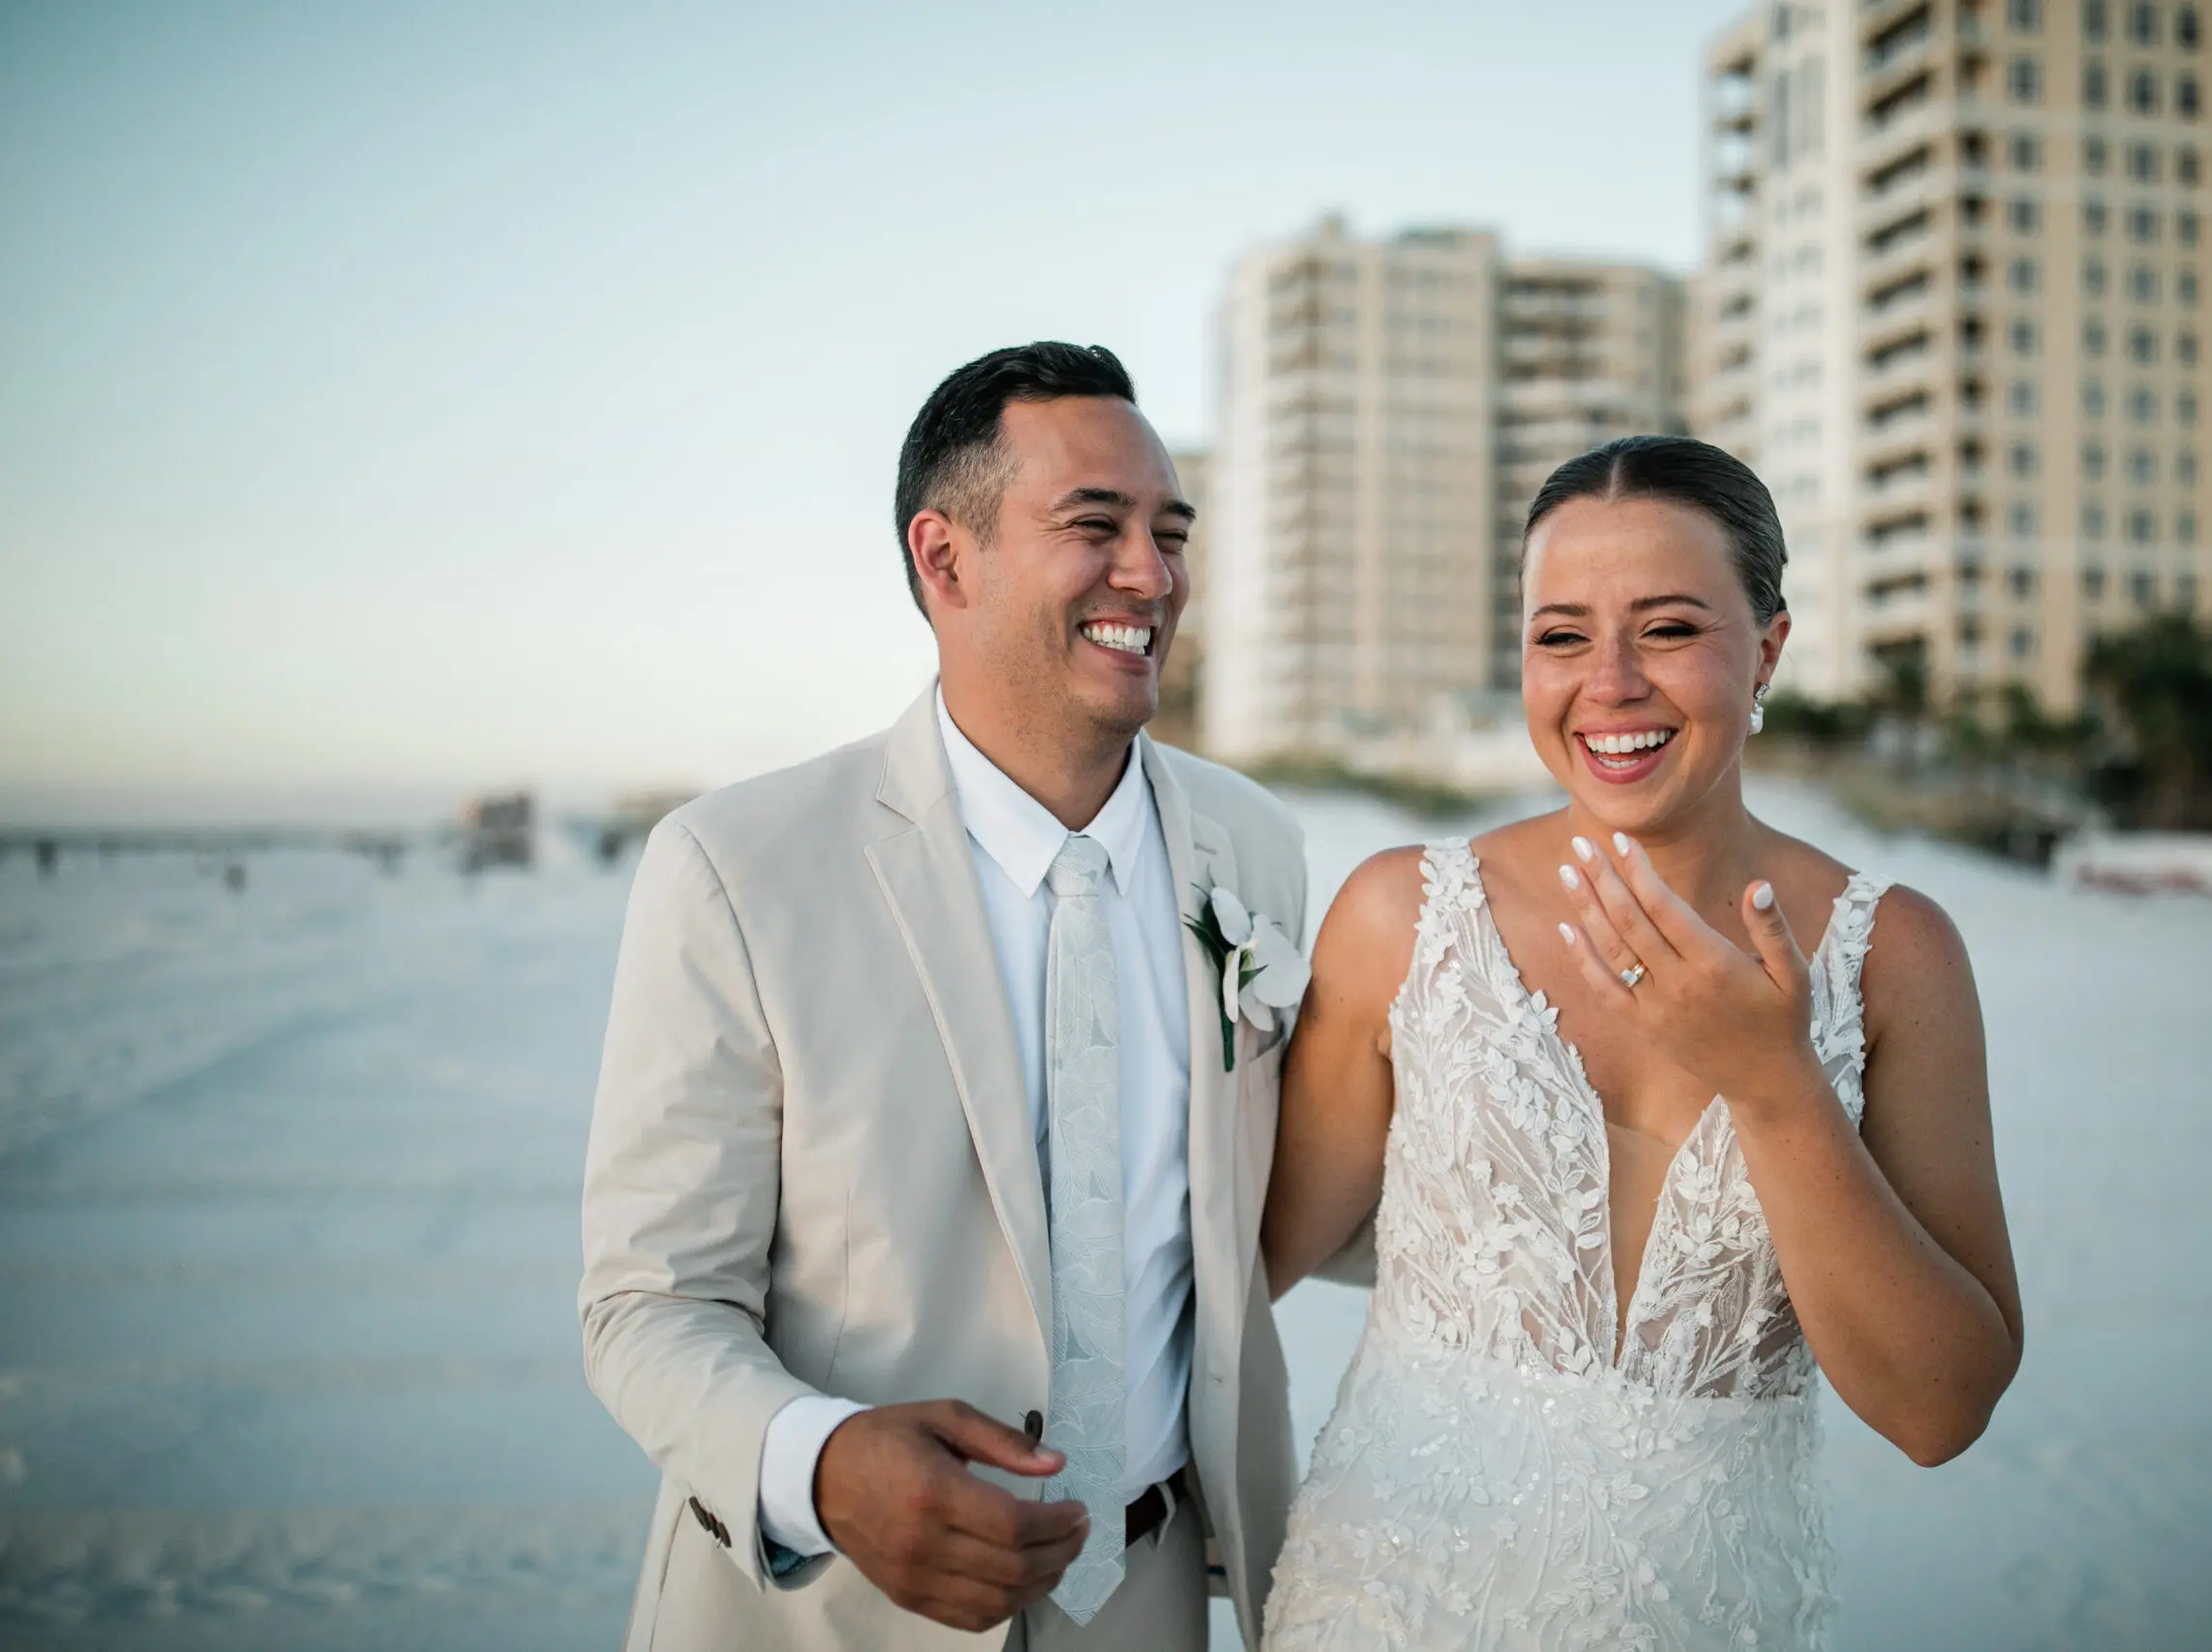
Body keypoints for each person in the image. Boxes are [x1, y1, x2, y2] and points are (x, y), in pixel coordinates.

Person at [580, 343, 1310, 1651]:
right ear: (946, 556)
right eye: (1096, 526)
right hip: (824, 1615)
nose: (1151, 574)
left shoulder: (1253, 848)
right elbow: (648, 1301)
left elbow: (1307, 1194)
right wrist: (823, 1462)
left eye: (1170, 532)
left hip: (1151, 1598)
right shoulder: (737, 865)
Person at [1256, 436, 2024, 1650]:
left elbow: (1940, 1410)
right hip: (1384, 1609)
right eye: (1561, 636)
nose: (1606, 683)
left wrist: (1774, 1086)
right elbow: (1241, 1260)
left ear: (1766, 648)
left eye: (1667, 629)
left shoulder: (1893, 955)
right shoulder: (1403, 919)